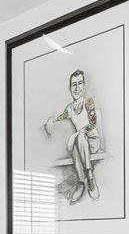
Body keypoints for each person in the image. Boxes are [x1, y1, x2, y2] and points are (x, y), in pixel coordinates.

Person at [42, 69, 103, 204]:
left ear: (84, 85)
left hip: (92, 141)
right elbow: (60, 118)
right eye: (74, 84)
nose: (77, 88)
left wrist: (75, 134)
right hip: (80, 146)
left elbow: (92, 125)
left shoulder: (89, 102)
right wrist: (52, 120)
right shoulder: (69, 108)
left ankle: (89, 177)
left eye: (79, 83)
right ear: (70, 88)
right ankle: (81, 182)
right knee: (77, 143)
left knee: (79, 138)